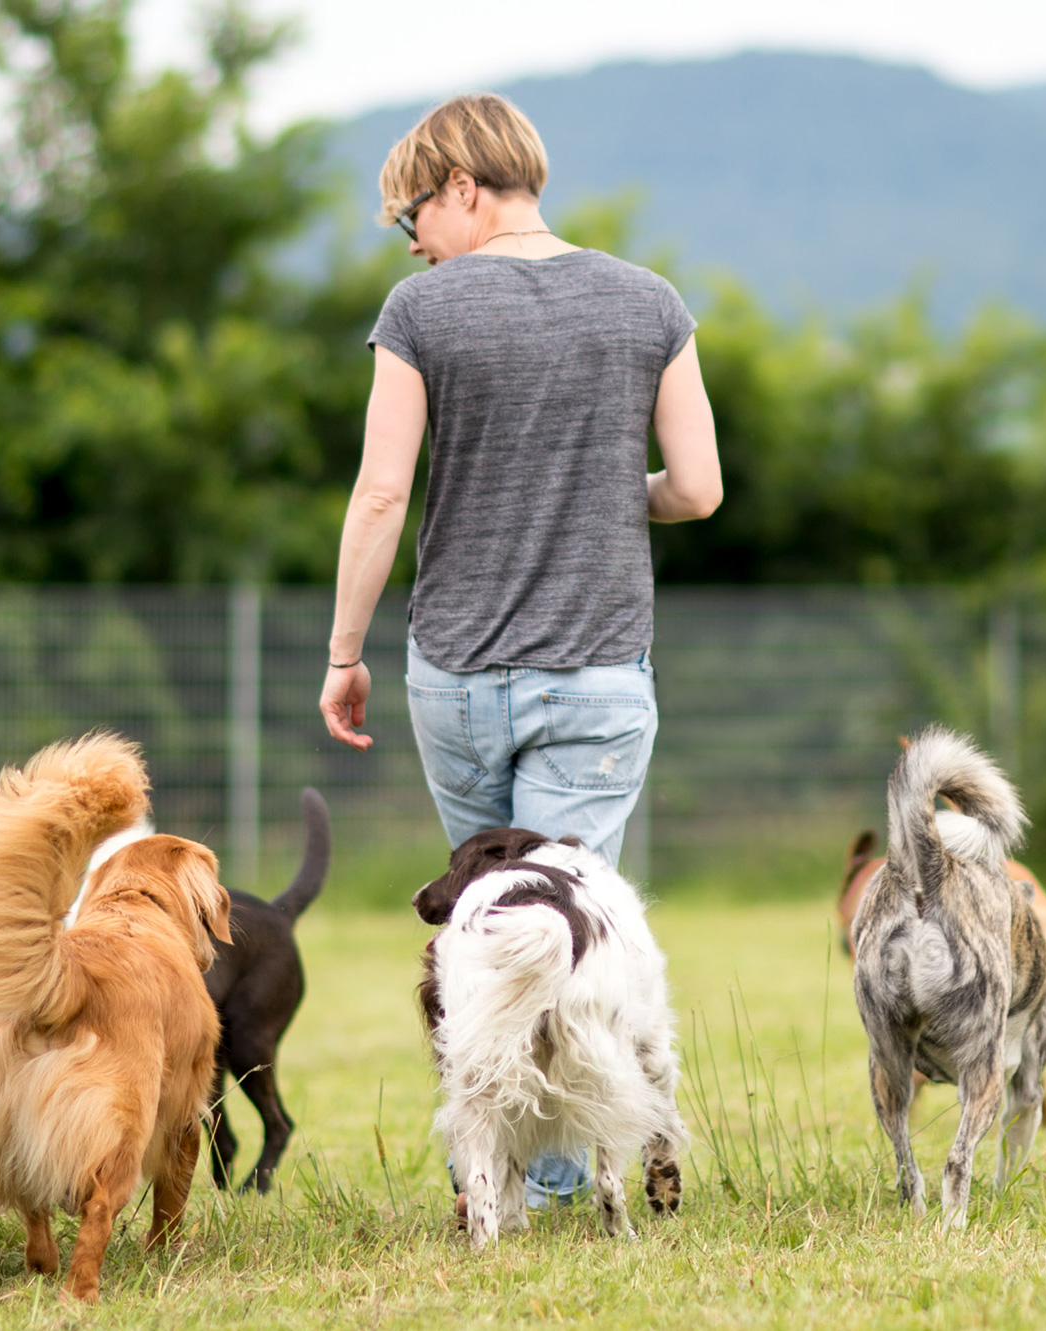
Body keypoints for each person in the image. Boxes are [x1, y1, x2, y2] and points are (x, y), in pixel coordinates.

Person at [318, 94, 721, 1207]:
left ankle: (506, 1179)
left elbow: (381, 491)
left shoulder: (421, 311)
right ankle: (551, 1179)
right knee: (566, 928)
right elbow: (695, 488)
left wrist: (343, 649)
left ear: (460, 188)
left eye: (411, 214)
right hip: (597, 678)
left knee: (490, 931)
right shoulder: (649, 303)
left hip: (452, 671)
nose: (410, 244)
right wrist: (602, 494)